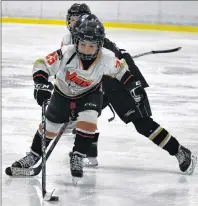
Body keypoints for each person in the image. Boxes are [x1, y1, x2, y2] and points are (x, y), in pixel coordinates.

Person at [5, 14, 142, 178]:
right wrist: (41, 84)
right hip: (62, 94)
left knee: (89, 121)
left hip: (90, 95)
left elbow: (122, 72)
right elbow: (41, 64)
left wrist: (134, 86)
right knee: (50, 127)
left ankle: (78, 156)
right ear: (76, 41)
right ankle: (33, 155)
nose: (87, 49)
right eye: (82, 44)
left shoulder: (107, 58)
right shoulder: (66, 53)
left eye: (92, 46)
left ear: (100, 44)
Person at [64, 12, 197, 175]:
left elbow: (122, 67)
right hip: (102, 85)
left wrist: (134, 86)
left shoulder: (107, 49)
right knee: (87, 113)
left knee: (143, 125)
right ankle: (89, 154)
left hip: (121, 87)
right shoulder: (77, 43)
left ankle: (180, 151)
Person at [62, 3, 149, 167]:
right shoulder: (68, 40)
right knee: (84, 115)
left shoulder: (95, 36)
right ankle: (89, 154)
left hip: (111, 83)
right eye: (71, 20)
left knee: (88, 113)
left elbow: (112, 59)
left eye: (77, 19)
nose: (73, 23)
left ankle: (88, 153)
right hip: (97, 82)